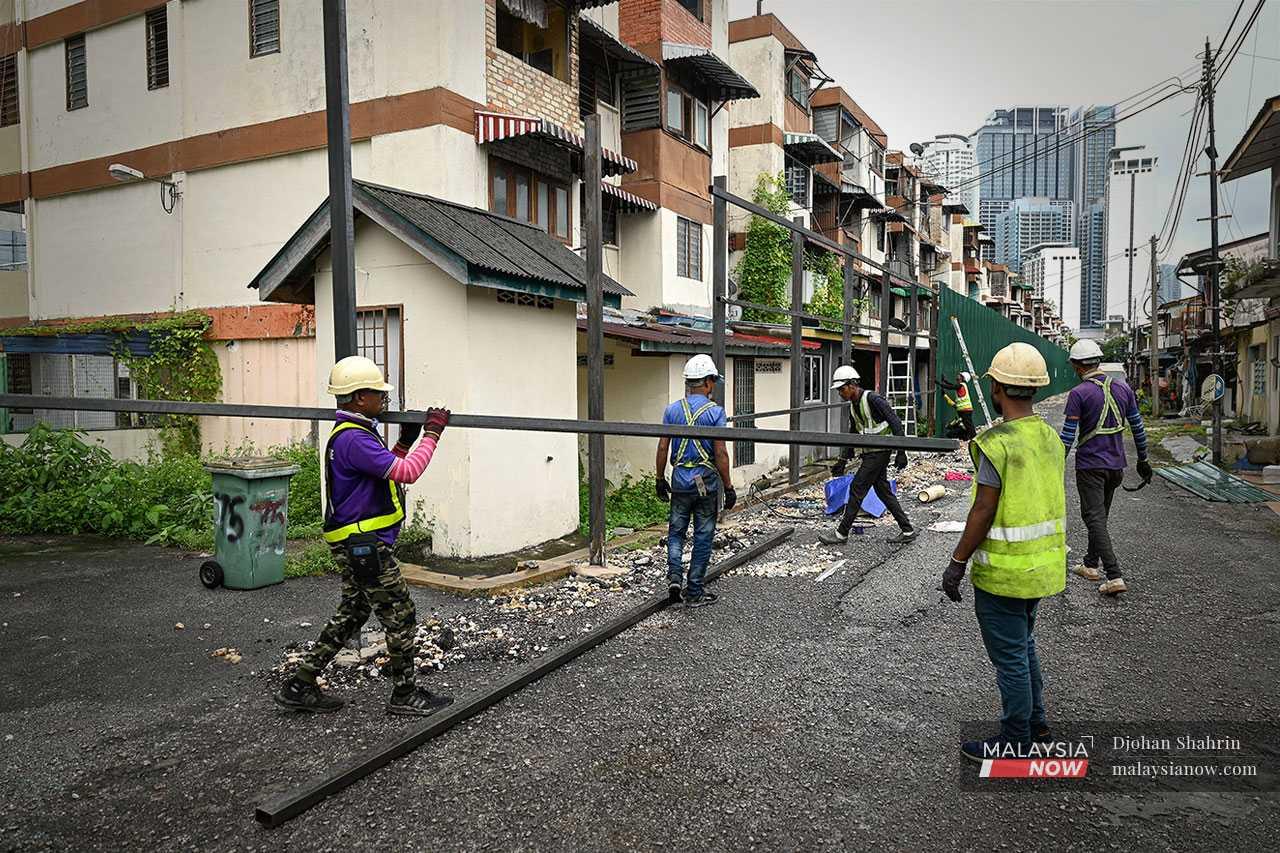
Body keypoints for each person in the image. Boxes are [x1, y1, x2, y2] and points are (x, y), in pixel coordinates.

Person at [274, 356, 453, 717]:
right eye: (376, 393)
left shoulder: (352, 434)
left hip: (356, 543)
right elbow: (407, 472)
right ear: (358, 398)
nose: (382, 399)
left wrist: (402, 443)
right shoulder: (355, 438)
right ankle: (404, 695)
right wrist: (432, 435)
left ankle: (300, 684)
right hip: (364, 545)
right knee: (400, 614)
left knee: (354, 612)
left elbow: (383, 472)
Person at [940, 342, 1066, 760]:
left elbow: (983, 508)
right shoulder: (1049, 437)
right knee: (1023, 645)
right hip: (1042, 568)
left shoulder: (997, 442)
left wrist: (957, 563)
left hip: (1005, 574)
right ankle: (1037, 724)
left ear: (996, 387)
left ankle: (1016, 739)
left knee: (1010, 656)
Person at [1058, 339, 1152, 596]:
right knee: (1100, 516)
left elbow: (1067, 437)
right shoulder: (1124, 389)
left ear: (1077, 366)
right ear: (1097, 361)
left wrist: (1055, 465)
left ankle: (1114, 575)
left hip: (1090, 465)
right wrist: (1143, 460)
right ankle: (1090, 565)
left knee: (1093, 517)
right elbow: (1138, 428)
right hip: (1115, 466)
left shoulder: (1079, 394)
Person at [655, 354, 736, 608]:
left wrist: (659, 478)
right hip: (705, 482)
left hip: (679, 479)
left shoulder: (672, 410)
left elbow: (662, 447)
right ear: (709, 382)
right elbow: (720, 453)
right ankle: (695, 591)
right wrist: (729, 487)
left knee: (676, 532)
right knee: (702, 534)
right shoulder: (715, 413)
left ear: (689, 382)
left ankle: (675, 577)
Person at [818, 365, 917, 545]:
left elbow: (895, 422)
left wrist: (901, 451)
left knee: (857, 488)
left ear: (853, 385)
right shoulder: (853, 406)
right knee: (883, 491)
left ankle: (841, 534)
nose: (840, 393)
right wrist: (842, 460)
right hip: (870, 454)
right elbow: (854, 433)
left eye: (842, 389)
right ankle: (907, 530)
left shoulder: (873, 399)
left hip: (879, 453)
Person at [939, 371, 977, 440]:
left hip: (965, 410)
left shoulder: (961, 385)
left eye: (959, 375)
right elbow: (952, 385)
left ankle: (973, 437)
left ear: (962, 378)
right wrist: (945, 382)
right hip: (963, 410)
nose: (957, 376)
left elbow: (951, 387)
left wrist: (940, 384)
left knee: (968, 425)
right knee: (967, 424)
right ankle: (969, 437)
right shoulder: (960, 386)